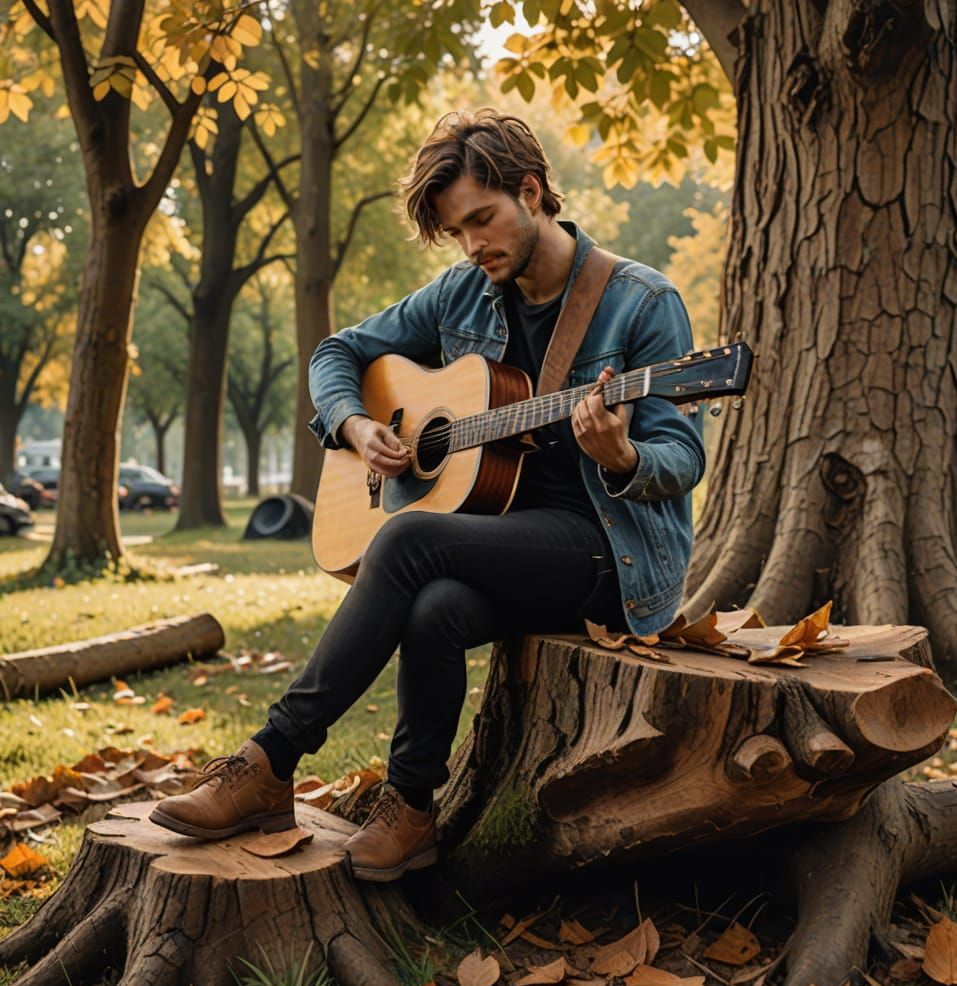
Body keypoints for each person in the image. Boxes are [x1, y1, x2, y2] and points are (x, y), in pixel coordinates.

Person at [150, 109, 705, 882]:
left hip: (608, 553)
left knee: (408, 541)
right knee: (436, 604)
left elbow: (682, 455)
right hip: (502, 539)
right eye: (459, 232)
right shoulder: (462, 295)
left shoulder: (641, 303)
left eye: (484, 219)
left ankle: (269, 760)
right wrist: (351, 425)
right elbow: (339, 351)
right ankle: (412, 808)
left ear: (534, 192)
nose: (475, 245)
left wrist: (621, 455)